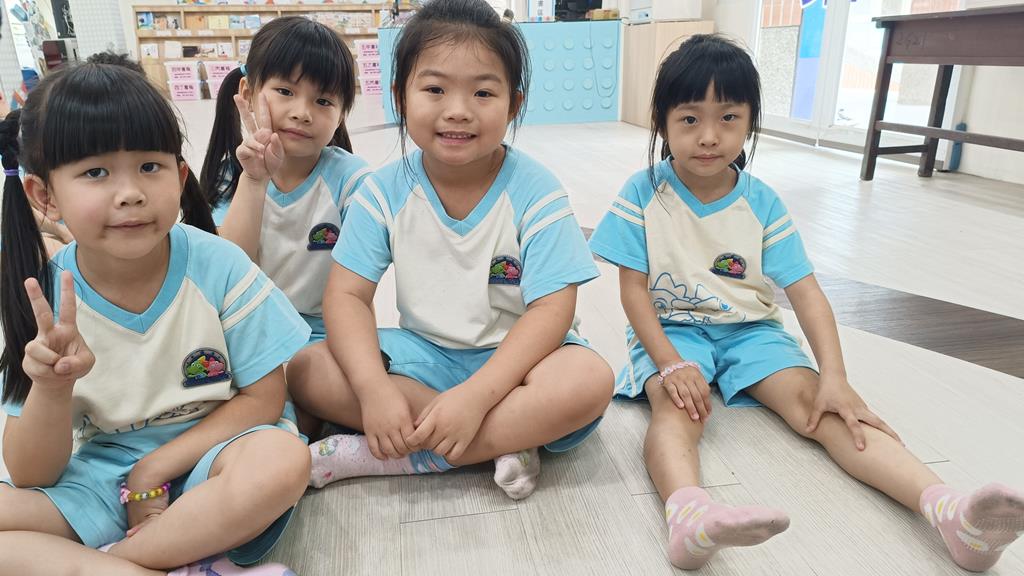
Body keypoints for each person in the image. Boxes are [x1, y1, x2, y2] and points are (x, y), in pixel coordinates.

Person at [588, 34, 1024, 571]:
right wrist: (670, 363)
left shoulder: (762, 201)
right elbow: (632, 290)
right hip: (671, 333)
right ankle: (689, 516)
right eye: (690, 119)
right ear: (661, 122)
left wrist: (834, 377)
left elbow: (807, 293)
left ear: (751, 122)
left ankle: (953, 515)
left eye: (729, 117)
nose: (709, 136)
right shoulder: (643, 192)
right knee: (678, 411)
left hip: (752, 332)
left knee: (825, 409)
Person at [288, 0, 613, 501]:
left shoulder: (537, 191)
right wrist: (375, 391)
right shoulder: (383, 191)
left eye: (483, 92)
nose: (458, 110)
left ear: (514, 105)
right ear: (400, 97)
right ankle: (506, 440)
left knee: (588, 379)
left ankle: (408, 454)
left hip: (521, 363)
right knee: (308, 369)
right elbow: (347, 296)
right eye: (435, 89)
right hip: (424, 357)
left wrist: (478, 397)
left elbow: (552, 310)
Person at [0, 63, 311, 576]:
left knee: (283, 460)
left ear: (180, 176)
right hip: (103, 477)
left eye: (149, 166)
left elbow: (264, 399)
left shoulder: (218, 264)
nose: (130, 193)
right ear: (43, 196)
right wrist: (51, 389)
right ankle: (168, 562)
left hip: (217, 454)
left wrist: (152, 471)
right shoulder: (42, 297)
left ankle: (119, 561)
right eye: (95, 173)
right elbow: (33, 473)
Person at [200, 16, 370, 343]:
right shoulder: (231, 174)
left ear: (341, 115)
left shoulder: (352, 182)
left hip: (324, 332)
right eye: (285, 91)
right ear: (248, 92)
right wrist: (254, 180)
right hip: (248, 327)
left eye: (323, 101)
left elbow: (359, 288)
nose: (302, 113)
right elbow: (229, 271)